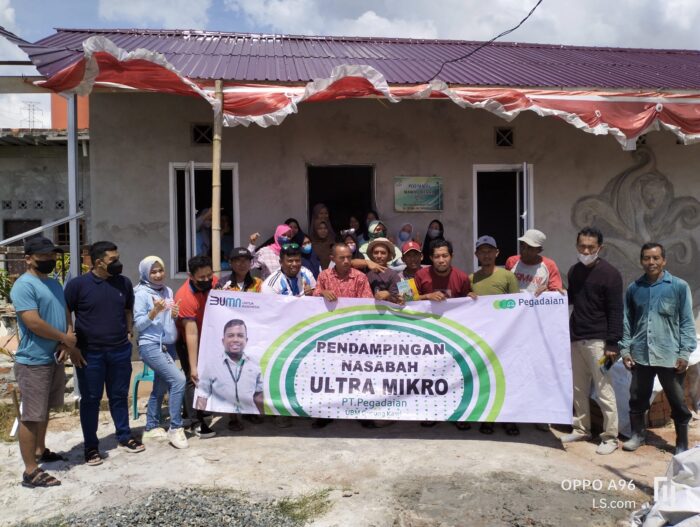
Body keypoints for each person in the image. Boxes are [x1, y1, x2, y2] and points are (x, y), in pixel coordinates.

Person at [10, 237, 84, 487]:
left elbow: (65, 313)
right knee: (32, 416)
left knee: (44, 411)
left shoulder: (54, 283)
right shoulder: (23, 285)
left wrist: (67, 341)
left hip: (54, 357)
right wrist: (64, 337)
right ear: (28, 259)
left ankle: (40, 450)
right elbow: (33, 322)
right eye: (43, 256)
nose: (50, 260)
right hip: (33, 361)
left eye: (52, 256)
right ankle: (30, 470)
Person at [65, 241, 145, 465]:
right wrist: (71, 344)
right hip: (89, 354)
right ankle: (91, 447)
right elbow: (66, 310)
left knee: (119, 396)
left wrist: (129, 330)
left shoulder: (123, 283)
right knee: (91, 400)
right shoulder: (78, 285)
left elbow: (127, 308)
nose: (118, 263)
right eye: (113, 260)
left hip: (119, 351)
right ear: (99, 262)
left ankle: (124, 436)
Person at [619, 243, 696, 454]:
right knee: (637, 398)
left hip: (669, 356)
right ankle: (637, 435)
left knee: (677, 401)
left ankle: (681, 443)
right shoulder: (634, 289)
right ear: (641, 261)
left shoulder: (678, 287)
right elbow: (627, 322)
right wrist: (625, 350)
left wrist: (684, 353)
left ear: (664, 260)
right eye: (646, 258)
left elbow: (687, 323)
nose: (651, 262)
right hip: (641, 355)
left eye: (655, 258)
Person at [559, 228, 623, 455]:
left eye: (590, 247)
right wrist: (555, 294)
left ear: (599, 248)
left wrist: (613, 344)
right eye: (582, 246)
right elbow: (573, 299)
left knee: (604, 389)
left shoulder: (611, 274)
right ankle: (581, 429)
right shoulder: (574, 271)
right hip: (576, 338)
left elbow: (616, 311)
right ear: (577, 246)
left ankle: (610, 437)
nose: (585, 251)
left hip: (601, 345)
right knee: (578, 388)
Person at [313, 243, 373, 428]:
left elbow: (367, 304)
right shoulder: (324, 276)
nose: (347, 261)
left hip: (355, 335)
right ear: (332, 259)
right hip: (330, 336)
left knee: (357, 376)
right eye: (342, 258)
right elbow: (312, 300)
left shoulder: (360, 277)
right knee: (329, 376)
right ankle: (326, 413)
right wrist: (322, 293)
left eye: (349, 257)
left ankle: (361, 412)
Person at [133, 256, 188, 449]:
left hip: (168, 345)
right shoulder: (140, 294)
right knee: (179, 380)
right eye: (153, 271)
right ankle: (176, 427)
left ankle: (151, 426)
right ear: (145, 273)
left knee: (160, 386)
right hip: (151, 345)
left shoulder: (167, 290)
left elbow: (167, 320)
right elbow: (139, 325)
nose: (158, 275)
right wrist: (154, 312)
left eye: (160, 270)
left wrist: (173, 315)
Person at [469, 236, 521, 436]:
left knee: (508, 378)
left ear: (497, 253)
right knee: (487, 379)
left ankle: (510, 419)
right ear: (476, 254)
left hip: (506, 337)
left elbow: (518, 307)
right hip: (483, 338)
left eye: (489, 251)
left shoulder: (508, 277)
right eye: (482, 251)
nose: (486, 255)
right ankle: (488, 418)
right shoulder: (471, 279)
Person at [174, 255, 219, 439]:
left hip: (207, 336)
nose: (207, 279)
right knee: (193, 378)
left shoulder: (213, 282)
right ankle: (195, 422)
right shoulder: (184, 297)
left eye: (209, 275)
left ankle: (195, 409)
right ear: (190, 276)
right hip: (186, 339)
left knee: (205, 375)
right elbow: (191, 334)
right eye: (202, 277)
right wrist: (193, 366)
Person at [195, 319, 264, 429]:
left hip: (251, 407)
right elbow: (202, 395)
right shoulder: (212, 365)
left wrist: (262, 412)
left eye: (240, 335)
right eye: (230, 335)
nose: (235, 339)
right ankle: (233, 419)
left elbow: (259, 394)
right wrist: (201, 422)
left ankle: (249, 414)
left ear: (246, 340)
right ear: (223, 340)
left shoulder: (254, 363)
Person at [505, 229, 564, 295]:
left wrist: (547, 291)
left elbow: (556, 292)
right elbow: (504, 285)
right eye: (522, 245)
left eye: (530, 247)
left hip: (538, 301)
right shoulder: (512, 261)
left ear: (539, 250)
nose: (524, 251)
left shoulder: (550, 265)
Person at [365, 237, 402, 304]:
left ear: (389, 255)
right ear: (372, 255)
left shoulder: (394, 275)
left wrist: (388, 295)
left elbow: (402, 300)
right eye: (376, 252)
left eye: (383, 253)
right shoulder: (366, 275)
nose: (379, 256)